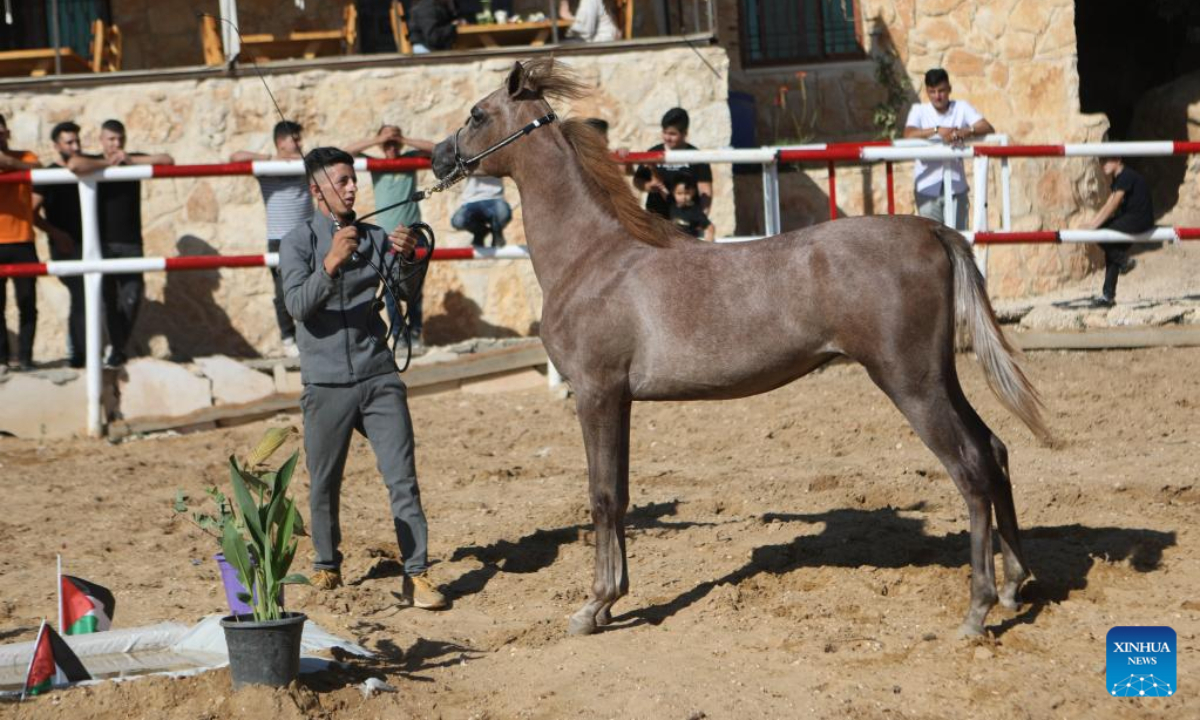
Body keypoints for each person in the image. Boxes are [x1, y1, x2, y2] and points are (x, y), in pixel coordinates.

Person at [279, 146, 446, 609]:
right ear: (317, 191)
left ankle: (417, 574)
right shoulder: (297, 243)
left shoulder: (372, 237)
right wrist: (330, 262)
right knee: (325, 480)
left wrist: (410, 257)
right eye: (342, 181)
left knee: (402, 477)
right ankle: (326, 564)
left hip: (378, 375)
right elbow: (296, 306)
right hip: (325, 381)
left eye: (354, 180)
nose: (353, 187)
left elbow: (404, 295)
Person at [65, 119, 174, 367]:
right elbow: (75, 164)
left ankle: (116, 346)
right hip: (100, 244)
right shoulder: (93, 161)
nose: (116, 144)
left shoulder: (132, 159)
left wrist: (131, 162)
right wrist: (107, 164)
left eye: (120, 139)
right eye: (111, 139)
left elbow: (167, 159)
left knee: (133, 295)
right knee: (107, 301)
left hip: (131, 243)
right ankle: (116, 351)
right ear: (102, 140)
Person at [344, 124, 436, 350]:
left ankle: (416, 334)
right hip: (387, 237)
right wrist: (377, 140)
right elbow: (344, 155)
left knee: (415, 289)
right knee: (391, 289)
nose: (391, 145)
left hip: (414, 236)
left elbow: (435, 149)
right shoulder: (376, 164)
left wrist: (404, 137)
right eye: (387, 142)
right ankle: (400, 337)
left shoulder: (410, 158)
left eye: (394, 141)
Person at [232, 121, 314, 358]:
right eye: (295, 139)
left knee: (313, 289)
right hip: (279, 240)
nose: (299, 143)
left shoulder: (306, 164)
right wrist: (269, 158)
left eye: (300, 139)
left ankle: (308, 338)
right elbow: (234, 157)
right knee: (283, 292)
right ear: (281, 142)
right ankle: (288, 338)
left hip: (308, 237)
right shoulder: (265, 166)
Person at [903, 68, 995, 230]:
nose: (937, 96)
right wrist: (937, 130)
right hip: (927, 188)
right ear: (927, 91)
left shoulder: (961, 107)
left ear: (949, 89)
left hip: (956, 187)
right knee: (931, 244)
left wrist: (966, 131)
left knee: (958, 240)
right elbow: (908, 134)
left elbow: (987, 127)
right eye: (932, 91)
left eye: (941, 90)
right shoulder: (919, 110)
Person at [32, 121, 87, 367]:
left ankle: (89, 349)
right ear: (56, 146)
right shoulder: (49, 175)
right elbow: (31, 211)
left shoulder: (86, 167)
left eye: (77, 141)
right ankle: (78, 352)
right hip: (66, 246)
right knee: (80, 296)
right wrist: (56, 234)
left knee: (93, 296)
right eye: (69, 142)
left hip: (91, 244)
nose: (75, 146)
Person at [1080, 156, 1153, 307]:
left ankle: (1124, 261)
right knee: (1112, 249)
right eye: (1101, 161)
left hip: (1139, 219)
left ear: (1118, 159)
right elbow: (1109, 203)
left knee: (1102, 235)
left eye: (1106, 160)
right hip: (1132, 217)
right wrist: (1093, 224)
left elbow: (1113, 205)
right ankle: (1108, 296)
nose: (1102, 164)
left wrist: (1093, 227)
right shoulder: (1119, 178)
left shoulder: (1126, 175)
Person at [0, 114, 42, 371]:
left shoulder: (25, 156)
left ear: (8, 132)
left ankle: (25, 358)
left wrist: (9, 163)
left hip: (23, 240)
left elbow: (40, 171)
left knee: (27, 303)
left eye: (1, 131)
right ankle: (2, 359)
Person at [634, 108, 713, 220]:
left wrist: (702, 218)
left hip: (686, 222)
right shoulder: (653, 153)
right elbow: (638, 180)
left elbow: (705, 191)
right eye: (665, 132)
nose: (667, 138)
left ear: (685, 133)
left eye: (672, 134)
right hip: (656, 218)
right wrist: (649, 186)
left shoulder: (696, 156)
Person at [451, 175, 512, 248]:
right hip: (471, 199)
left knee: (504, 213)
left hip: (495, 197)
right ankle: (480, 231)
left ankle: (496, 231)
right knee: (458, 221)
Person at [668, 173, 714, 241]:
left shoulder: (695, 211)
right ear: (673, 192)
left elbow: (710, 227)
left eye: (687, 193)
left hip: (690, 245)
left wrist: (708, 242)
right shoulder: (669, 206)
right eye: (679, 193)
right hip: (673, 244)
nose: (683, 197)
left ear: (693, 192)